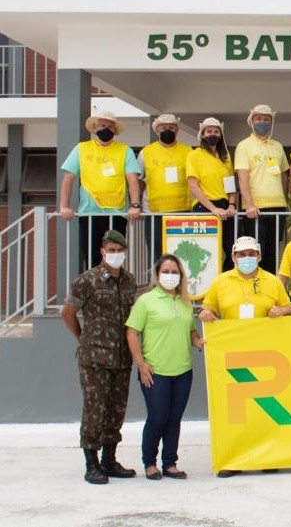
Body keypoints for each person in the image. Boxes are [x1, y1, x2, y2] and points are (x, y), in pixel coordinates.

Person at [60, 229, 139, 484]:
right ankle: (91, 464)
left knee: (116, 410)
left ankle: (109, 460)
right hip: (94, 358)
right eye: (111, 251)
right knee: (95, 409)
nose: (116, 255)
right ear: (102, 252)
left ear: (125, 253)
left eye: (120, 251)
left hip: (121, 357)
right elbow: (68, 312)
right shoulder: (88, 279)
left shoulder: (129, 280)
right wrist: (83, 338)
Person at [125, 254, 204, 481]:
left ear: (181, 276)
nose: (170, 276)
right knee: (158, 417)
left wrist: (198, 341)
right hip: (155, 371)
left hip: (182, 370)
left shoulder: (185, 302)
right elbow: (132, 332)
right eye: (166, 272)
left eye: (174, 272)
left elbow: (190, 330)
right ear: (157, 275)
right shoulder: (146, 301)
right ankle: (149, 462)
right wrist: (141, 364)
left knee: (174, 418)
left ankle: (170, 462)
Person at [59, 110, 141, 270]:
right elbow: (68, 177)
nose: (107, 129)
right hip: (89, 213)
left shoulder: (125, 150)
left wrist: (135, 204)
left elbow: (132, 178)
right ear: (95, 127)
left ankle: (113, 291)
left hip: (117, 213)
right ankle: (95, 292)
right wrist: (64, 206)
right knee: (92, 257)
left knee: (115, 257)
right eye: (103, 125)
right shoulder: (81, 149)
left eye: (111, 126)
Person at [233, 104, 288, 273]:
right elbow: (242, 177)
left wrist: (285, 202)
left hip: (278, 207)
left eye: (266, 119)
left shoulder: (277, 146)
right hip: (255, 209)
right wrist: (249, 205)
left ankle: (270, 291)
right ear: (251, 121)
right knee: (256, 252)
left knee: (273, 253)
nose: (262, 122)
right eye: (258, 119)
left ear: (271, 122)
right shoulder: (244, 145)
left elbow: (284, 175)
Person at [198, 236, 291, 322]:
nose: (247, 257)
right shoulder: (220, 281)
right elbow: (206, 308)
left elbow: (289, 308)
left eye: (251, 254)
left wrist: (281, 310)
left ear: (259, 256)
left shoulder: (273, 281)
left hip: (264, 338)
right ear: (233, 257)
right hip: (231, 338)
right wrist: (205, 313)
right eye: (241, 254)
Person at [138, 113, 192, 260]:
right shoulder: (146, 152)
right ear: (156, 131)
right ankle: (157, 282)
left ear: (177, 130)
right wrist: (136, 204)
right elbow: (139, 180)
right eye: (164, 128)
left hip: (182, 210)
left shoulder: (188, 152)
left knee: (181, 252)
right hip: (154, 211)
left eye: (171, 128)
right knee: (156, 253)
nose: (168, 130)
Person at [186, 117, 237, 270]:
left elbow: (230, 185)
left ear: (220, 135)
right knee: (206, 251)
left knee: (231, 250)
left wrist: (231, 204)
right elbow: (193, 185)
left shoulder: (225, 158)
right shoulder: (194, 155)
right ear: (202, 134)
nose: (212, 134)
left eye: (216, 131)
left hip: (225, 208)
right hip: (204, 207)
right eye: (209, 131)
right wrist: (212, 209)